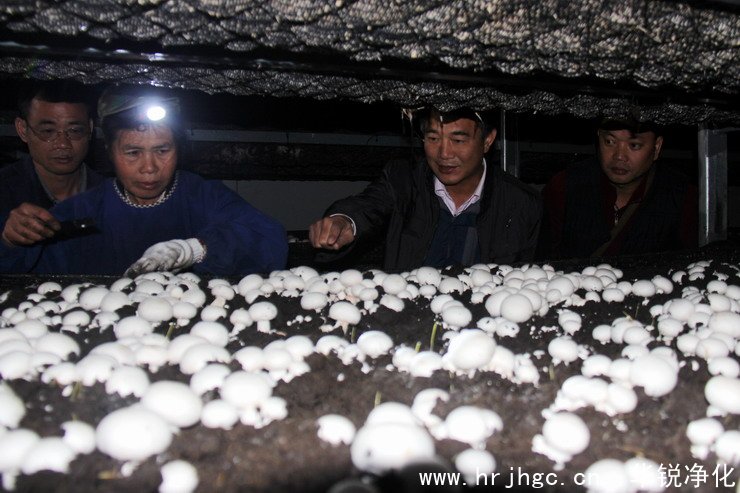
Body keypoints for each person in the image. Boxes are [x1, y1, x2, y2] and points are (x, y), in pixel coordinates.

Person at [0, 86, 288, 276]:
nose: (149, 168)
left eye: (162, 150)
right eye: (133, 152)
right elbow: (19, 274)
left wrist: (195, 249)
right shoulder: (80, 215)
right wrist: (11, 241)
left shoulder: (203, 196)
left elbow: (270, 239)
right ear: (110, 152)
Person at [309, 107, 542, 271]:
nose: (444, 154)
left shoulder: (520, 203)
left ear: (488, 140)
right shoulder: (403, 181)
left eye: (458, 140)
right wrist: (343, 222)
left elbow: (525, 279)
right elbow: (368, 206)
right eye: (433, 138)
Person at [538, 116, 698, 260]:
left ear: (656, 147)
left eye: (634, 145)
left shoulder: (681, 197)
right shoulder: (564, 187)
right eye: (610, 142)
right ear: (598, 137)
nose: (619, 156)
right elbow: (544, 258)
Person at [0, 80, 104, 247]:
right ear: (22, 130)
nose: (63, 144)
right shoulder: (5, 193)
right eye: (48, 131)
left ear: (90, 129)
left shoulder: (113, 196)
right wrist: (7, 241)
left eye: (75, 131)